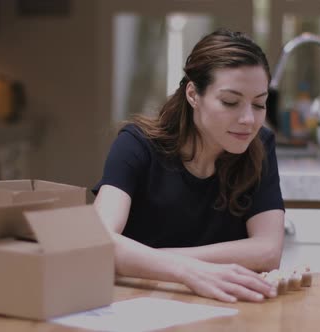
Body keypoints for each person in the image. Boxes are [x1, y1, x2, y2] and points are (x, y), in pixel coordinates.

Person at [93, 29, 285, 303]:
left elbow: (267, 251)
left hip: (224, 305)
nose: (248, 120)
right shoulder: (136, 144)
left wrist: (148, 259)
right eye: (230, 102)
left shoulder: (260, 145)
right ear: (193, 94)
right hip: (139, 304)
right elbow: (98, 240)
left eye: (259, 104)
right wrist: (188, 271)